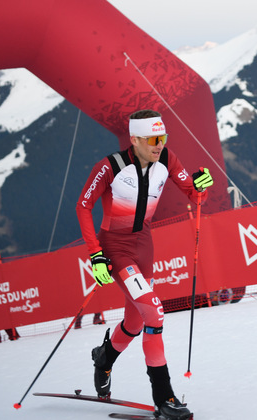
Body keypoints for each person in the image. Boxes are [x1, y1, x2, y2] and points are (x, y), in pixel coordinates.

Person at [76, 109, 213, 420]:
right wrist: (96, 254)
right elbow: (83, 207)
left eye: (162, 138)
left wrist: (200, 185)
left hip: (144, 246)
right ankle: (164, 397)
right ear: (135, 139)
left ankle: (104, 357)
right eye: (152, 139)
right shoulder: (110, 167)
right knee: (154, 311)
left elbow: (193, 194)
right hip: (116, 248)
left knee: (136, 322)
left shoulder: (167, 159)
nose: (159, 145)